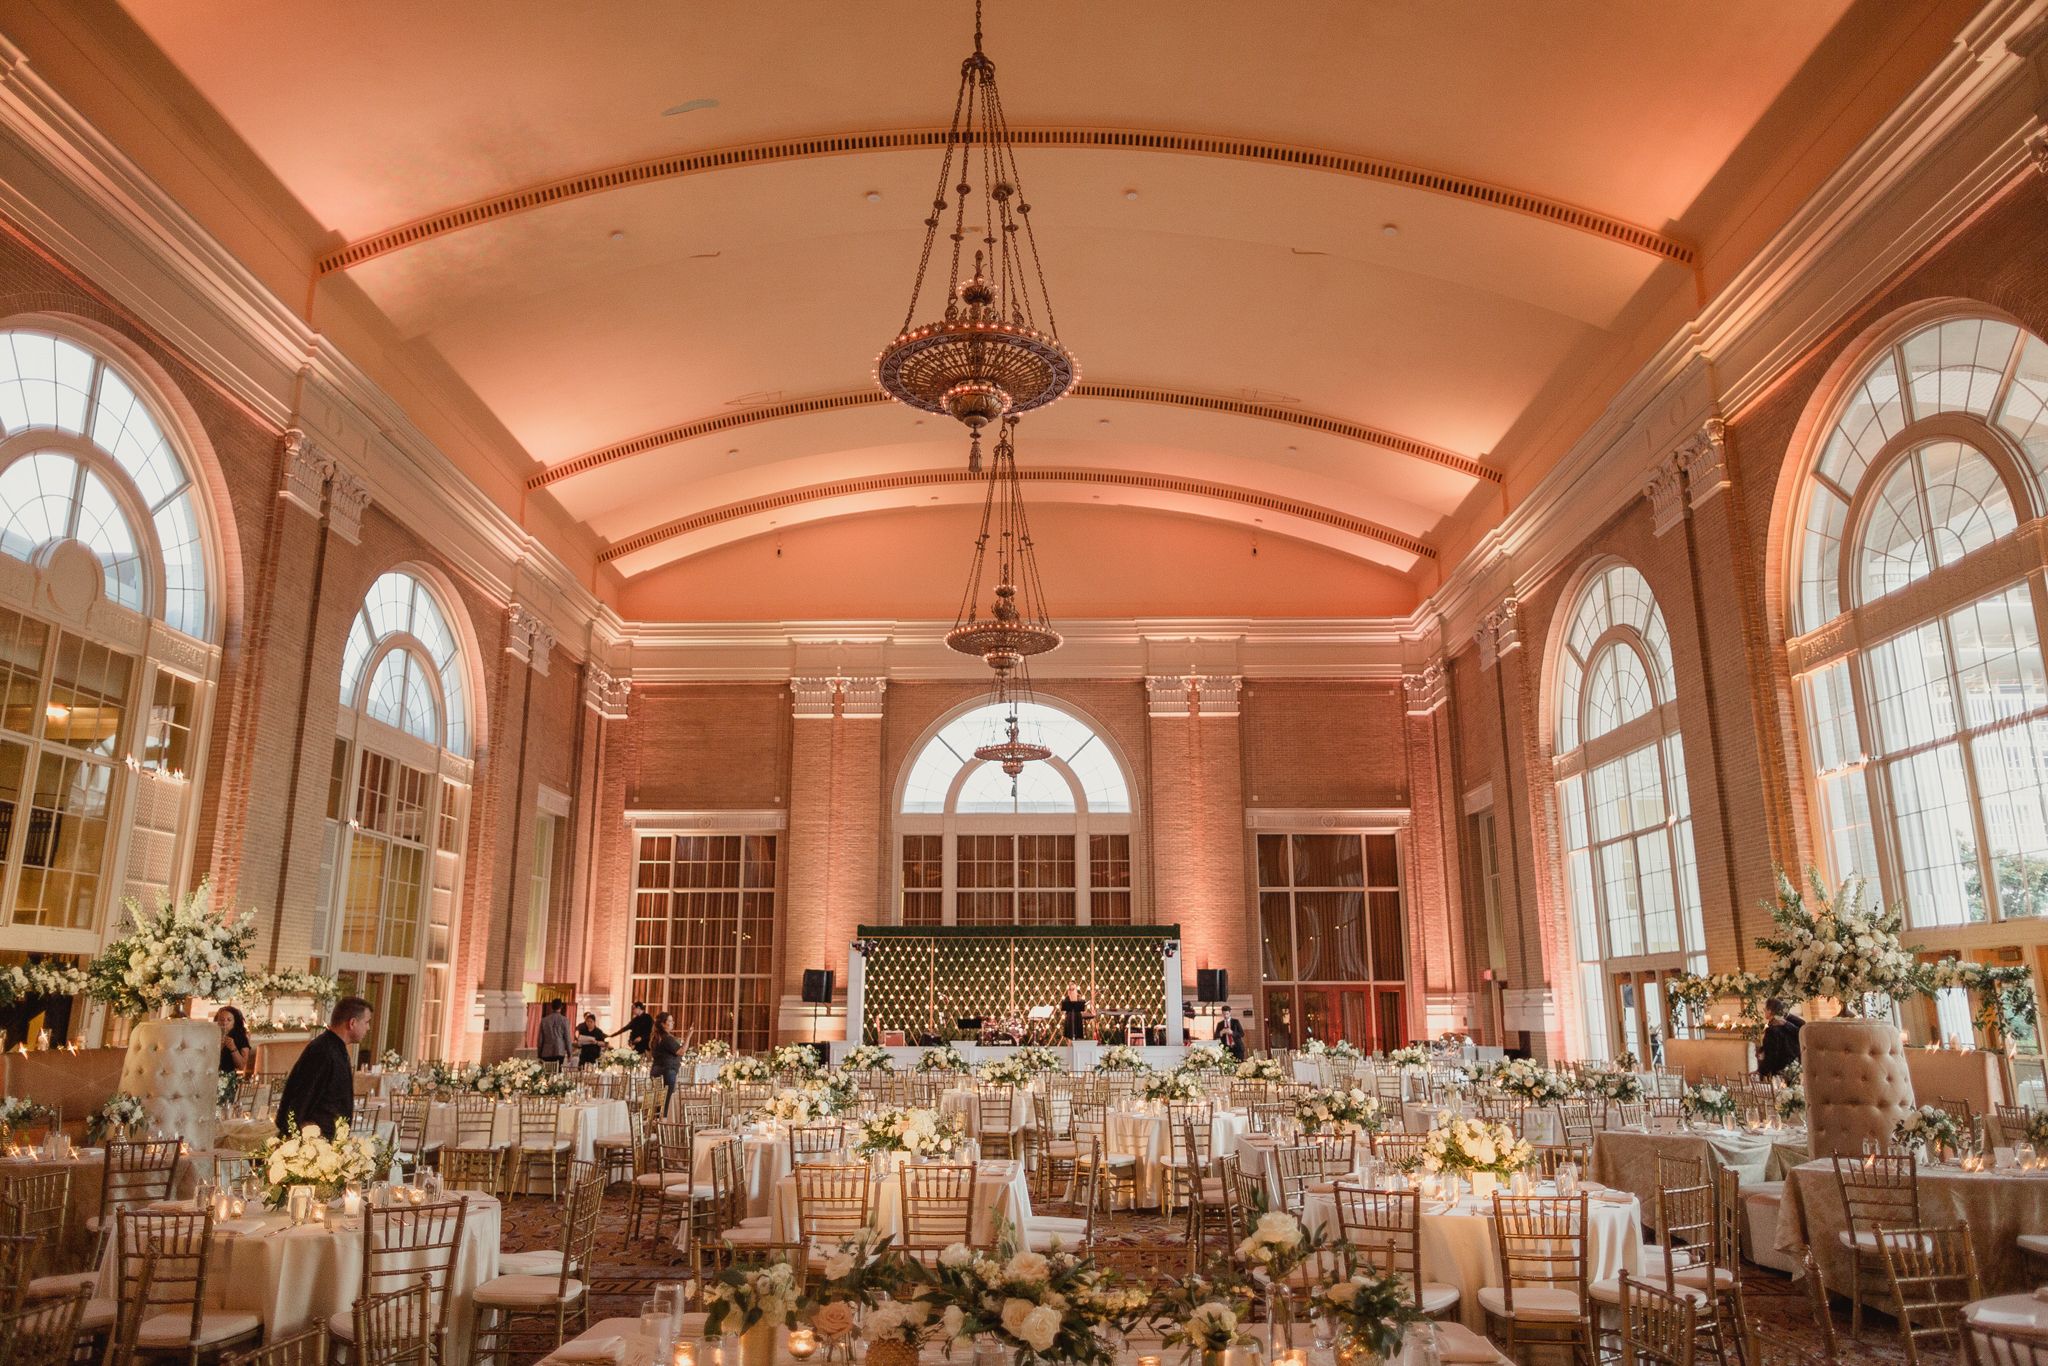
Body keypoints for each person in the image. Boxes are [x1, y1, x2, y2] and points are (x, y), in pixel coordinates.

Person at [275, 997, 372, 1139]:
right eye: (367, 1022)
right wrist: (297, 1132)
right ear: (352, 1023)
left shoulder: (334, 1048)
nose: (368, 1028)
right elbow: (303, 1094)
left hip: (326, 1140)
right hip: (313, 1142)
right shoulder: (323, 1050)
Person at [1758, 997, 1805, 1079]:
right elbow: (1803, 1026)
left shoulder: (1772, 1030)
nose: (1764, 1011)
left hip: (1781, 1071)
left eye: (1765, 1009)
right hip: (1797, 1067)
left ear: (1769, 1011)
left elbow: (1772, 1055)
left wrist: (1761, 1071)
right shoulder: (1790, 1025)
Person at [215, 1005, 253, 1077]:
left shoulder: (241, 1038)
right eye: (221, 1019)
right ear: (217, 1021)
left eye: (229, 1020)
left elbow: (241, 1066)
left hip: (227, 1078)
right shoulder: (211, 1035)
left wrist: (233, 1048)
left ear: (234, 1022)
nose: (224, 1023)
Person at [649, 1011, 682, 1093]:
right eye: (670, 1021)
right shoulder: (667, 1038)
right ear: (663, 1024)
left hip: (656, 1070)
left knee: (658, 1100)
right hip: (667, 1072)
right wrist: (689, 1036)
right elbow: (681, 1052)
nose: (673, 1022)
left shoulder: (657, 1037)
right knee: (665, 1101)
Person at [536, 998, 571, 1066]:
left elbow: (540, 1039)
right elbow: (567, 1038)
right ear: (561, 1007)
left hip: (546, 1052)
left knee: (547, 1072)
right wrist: (570, 1053)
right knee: (558, 1072)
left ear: (551, 1007)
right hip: (559, 1051)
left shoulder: (544, 1020)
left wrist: (539, 1054)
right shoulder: (564, 1020)